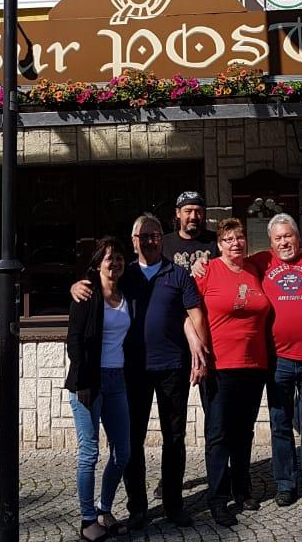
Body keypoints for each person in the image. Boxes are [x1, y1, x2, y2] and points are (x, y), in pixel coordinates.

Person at [118, 213, 209, 529]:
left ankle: (173, 504)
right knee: (132, 440)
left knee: (174, 438)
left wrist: (199, 352)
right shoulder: (124, 275)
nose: (150, 240)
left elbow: (194, 313)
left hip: (173, 367)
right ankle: (138, 508)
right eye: (143, 236)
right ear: (134, 242)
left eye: (155, 234)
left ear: (162, 237)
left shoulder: (178, 273)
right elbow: (96, 289)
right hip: (134, 370)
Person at [194, 217, 273, 527]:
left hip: (254, 365)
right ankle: (217, 498)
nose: (236, 243)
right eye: (228, 239)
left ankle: (242, 488)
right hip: (219, 366)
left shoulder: (255, 269)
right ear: (219, 245)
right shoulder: (208, 270)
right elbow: (187, 309)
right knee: (218, 434)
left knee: (244, 431)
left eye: (240, 238)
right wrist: (196, 350)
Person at [250, 213, 302, 508]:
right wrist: (199, 264)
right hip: (278, 359)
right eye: (278, 238)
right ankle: (285, 484)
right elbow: (229, 267)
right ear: (271, 242)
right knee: (280, 424)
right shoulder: (261, 262)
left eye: (289, 236)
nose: (284, 242)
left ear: (299, 236)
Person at [65, 236, 132, 540]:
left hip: (118, 379)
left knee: (123, 452)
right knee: (89, 452)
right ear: (97, 264)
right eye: (109, 258)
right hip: (88, 382)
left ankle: (105, 510)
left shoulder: (127, 294)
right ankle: (87, 519)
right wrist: (82, 382)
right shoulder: (86, 294)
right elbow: (74, 341)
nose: (115, 263)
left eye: (119, 257)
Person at [161, 191, 218, 272]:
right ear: (178, 213)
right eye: (188, 211)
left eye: (198, 211)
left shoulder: (215, 240)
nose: (193, 216)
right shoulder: (164, 243)